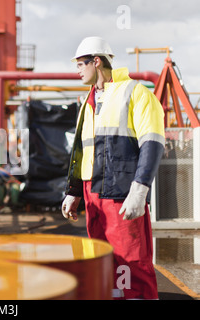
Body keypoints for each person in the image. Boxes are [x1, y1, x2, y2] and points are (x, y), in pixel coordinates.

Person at [61, 37, 165, 300]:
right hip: (92, 196)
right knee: (103, 260)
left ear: (97, 61)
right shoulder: (89, 101)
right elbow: (82, 150)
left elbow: (152, 144)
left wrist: (139, 190)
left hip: (121, 193)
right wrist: (74, 191)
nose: (77, 69)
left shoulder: (136, 93)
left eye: (81, 63)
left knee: (131, 262)